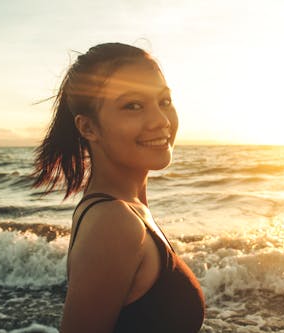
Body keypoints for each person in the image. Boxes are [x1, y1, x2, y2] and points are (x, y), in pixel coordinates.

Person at [33, 42, 205, 333]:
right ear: (88, 128)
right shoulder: (114, 222)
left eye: (164, 101)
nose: (161, 121)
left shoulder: (127, 209)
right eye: (133, 106)